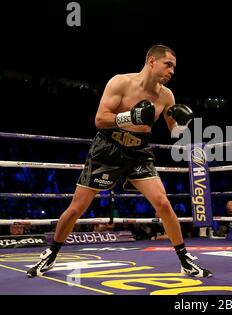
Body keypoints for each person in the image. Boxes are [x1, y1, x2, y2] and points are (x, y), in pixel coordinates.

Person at [27, 45, 212, 278]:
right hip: (108, 148)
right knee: (77, 208)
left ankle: (185, 260)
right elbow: (100, 119)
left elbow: (174, 132)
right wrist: (130, 116)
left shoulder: (167, 96)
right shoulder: (121, 82)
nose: (172, 71)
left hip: (139, 151)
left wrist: (183, 123)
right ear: (151, 61)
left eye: (174, 67)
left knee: (163, 203)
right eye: (169, 64)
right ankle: (51, 254)